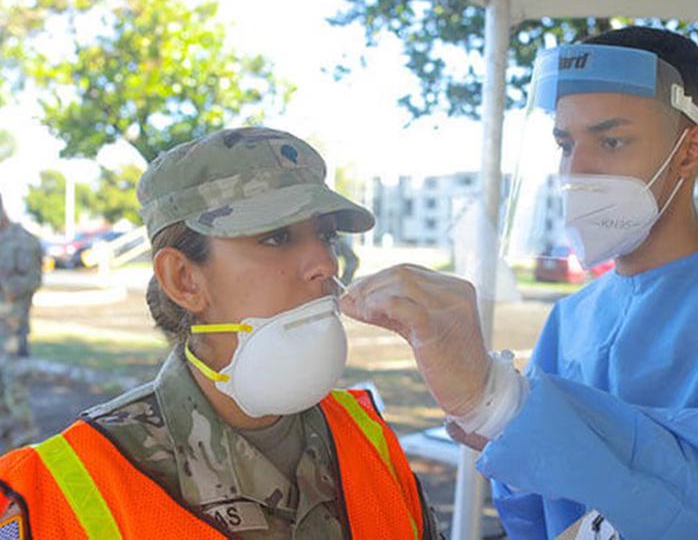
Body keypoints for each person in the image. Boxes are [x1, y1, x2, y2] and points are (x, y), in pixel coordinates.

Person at [341, 27, 698, 539]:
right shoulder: (571, 318)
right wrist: (499, 432)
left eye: (612, 141)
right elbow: (539, 518)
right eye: (564, 142)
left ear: (691, 150)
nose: (578, 168)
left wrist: (506, 405)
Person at [0, 128, 439, 539]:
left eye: (326, 234)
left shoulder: (367, 433)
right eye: (277, 237)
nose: (325, 263)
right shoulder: (56, 489)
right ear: (184, 279)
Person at [0, 193, 41, 454]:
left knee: (16, 394)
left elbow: (32, 280)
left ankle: (26, 451)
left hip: (11, 333)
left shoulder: (23, 241)